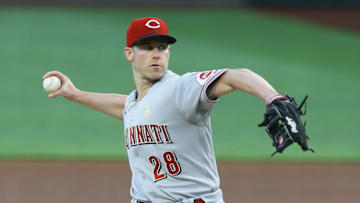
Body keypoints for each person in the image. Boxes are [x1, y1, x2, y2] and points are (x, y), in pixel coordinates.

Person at [43, 17, 281, 203]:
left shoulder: (181, 88)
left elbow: (234, 76)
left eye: (162, 46)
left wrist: (273, 98)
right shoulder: (136, 102)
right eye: (147, 47)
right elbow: (126, 107)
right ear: (129, 54)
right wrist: (75, 94)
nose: (156, 53)